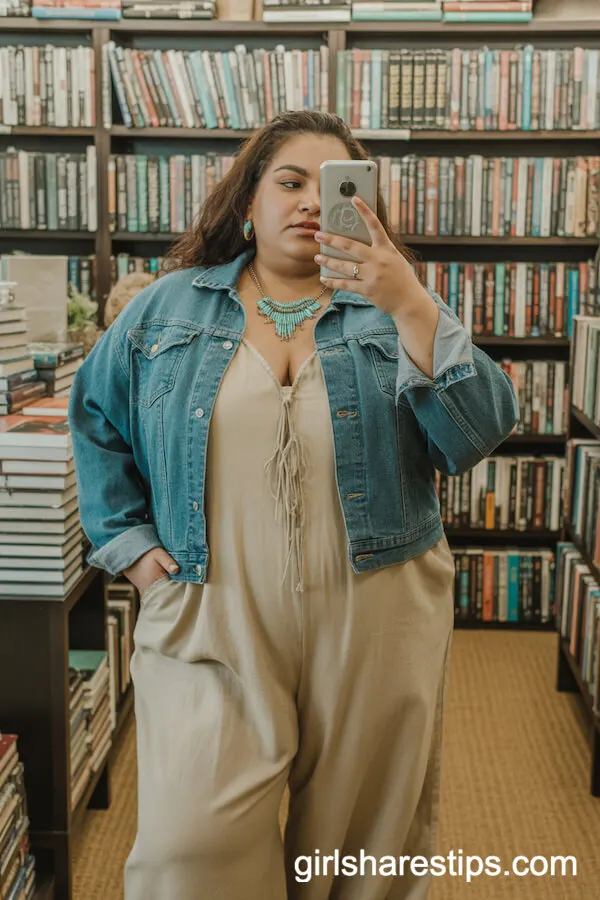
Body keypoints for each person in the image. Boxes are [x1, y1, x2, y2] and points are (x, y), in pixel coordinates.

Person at [68, 110, 519, 900]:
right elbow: (95, 419)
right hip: (208, 607)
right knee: (190, 848)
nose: (311, 199)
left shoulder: (396, 310)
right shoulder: (165, 309)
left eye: (332, 184)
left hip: (376, 607)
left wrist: (412, 304)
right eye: (289, 181)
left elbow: (477, 434)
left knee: (359, 851)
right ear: (248, 200)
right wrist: (132, 550)